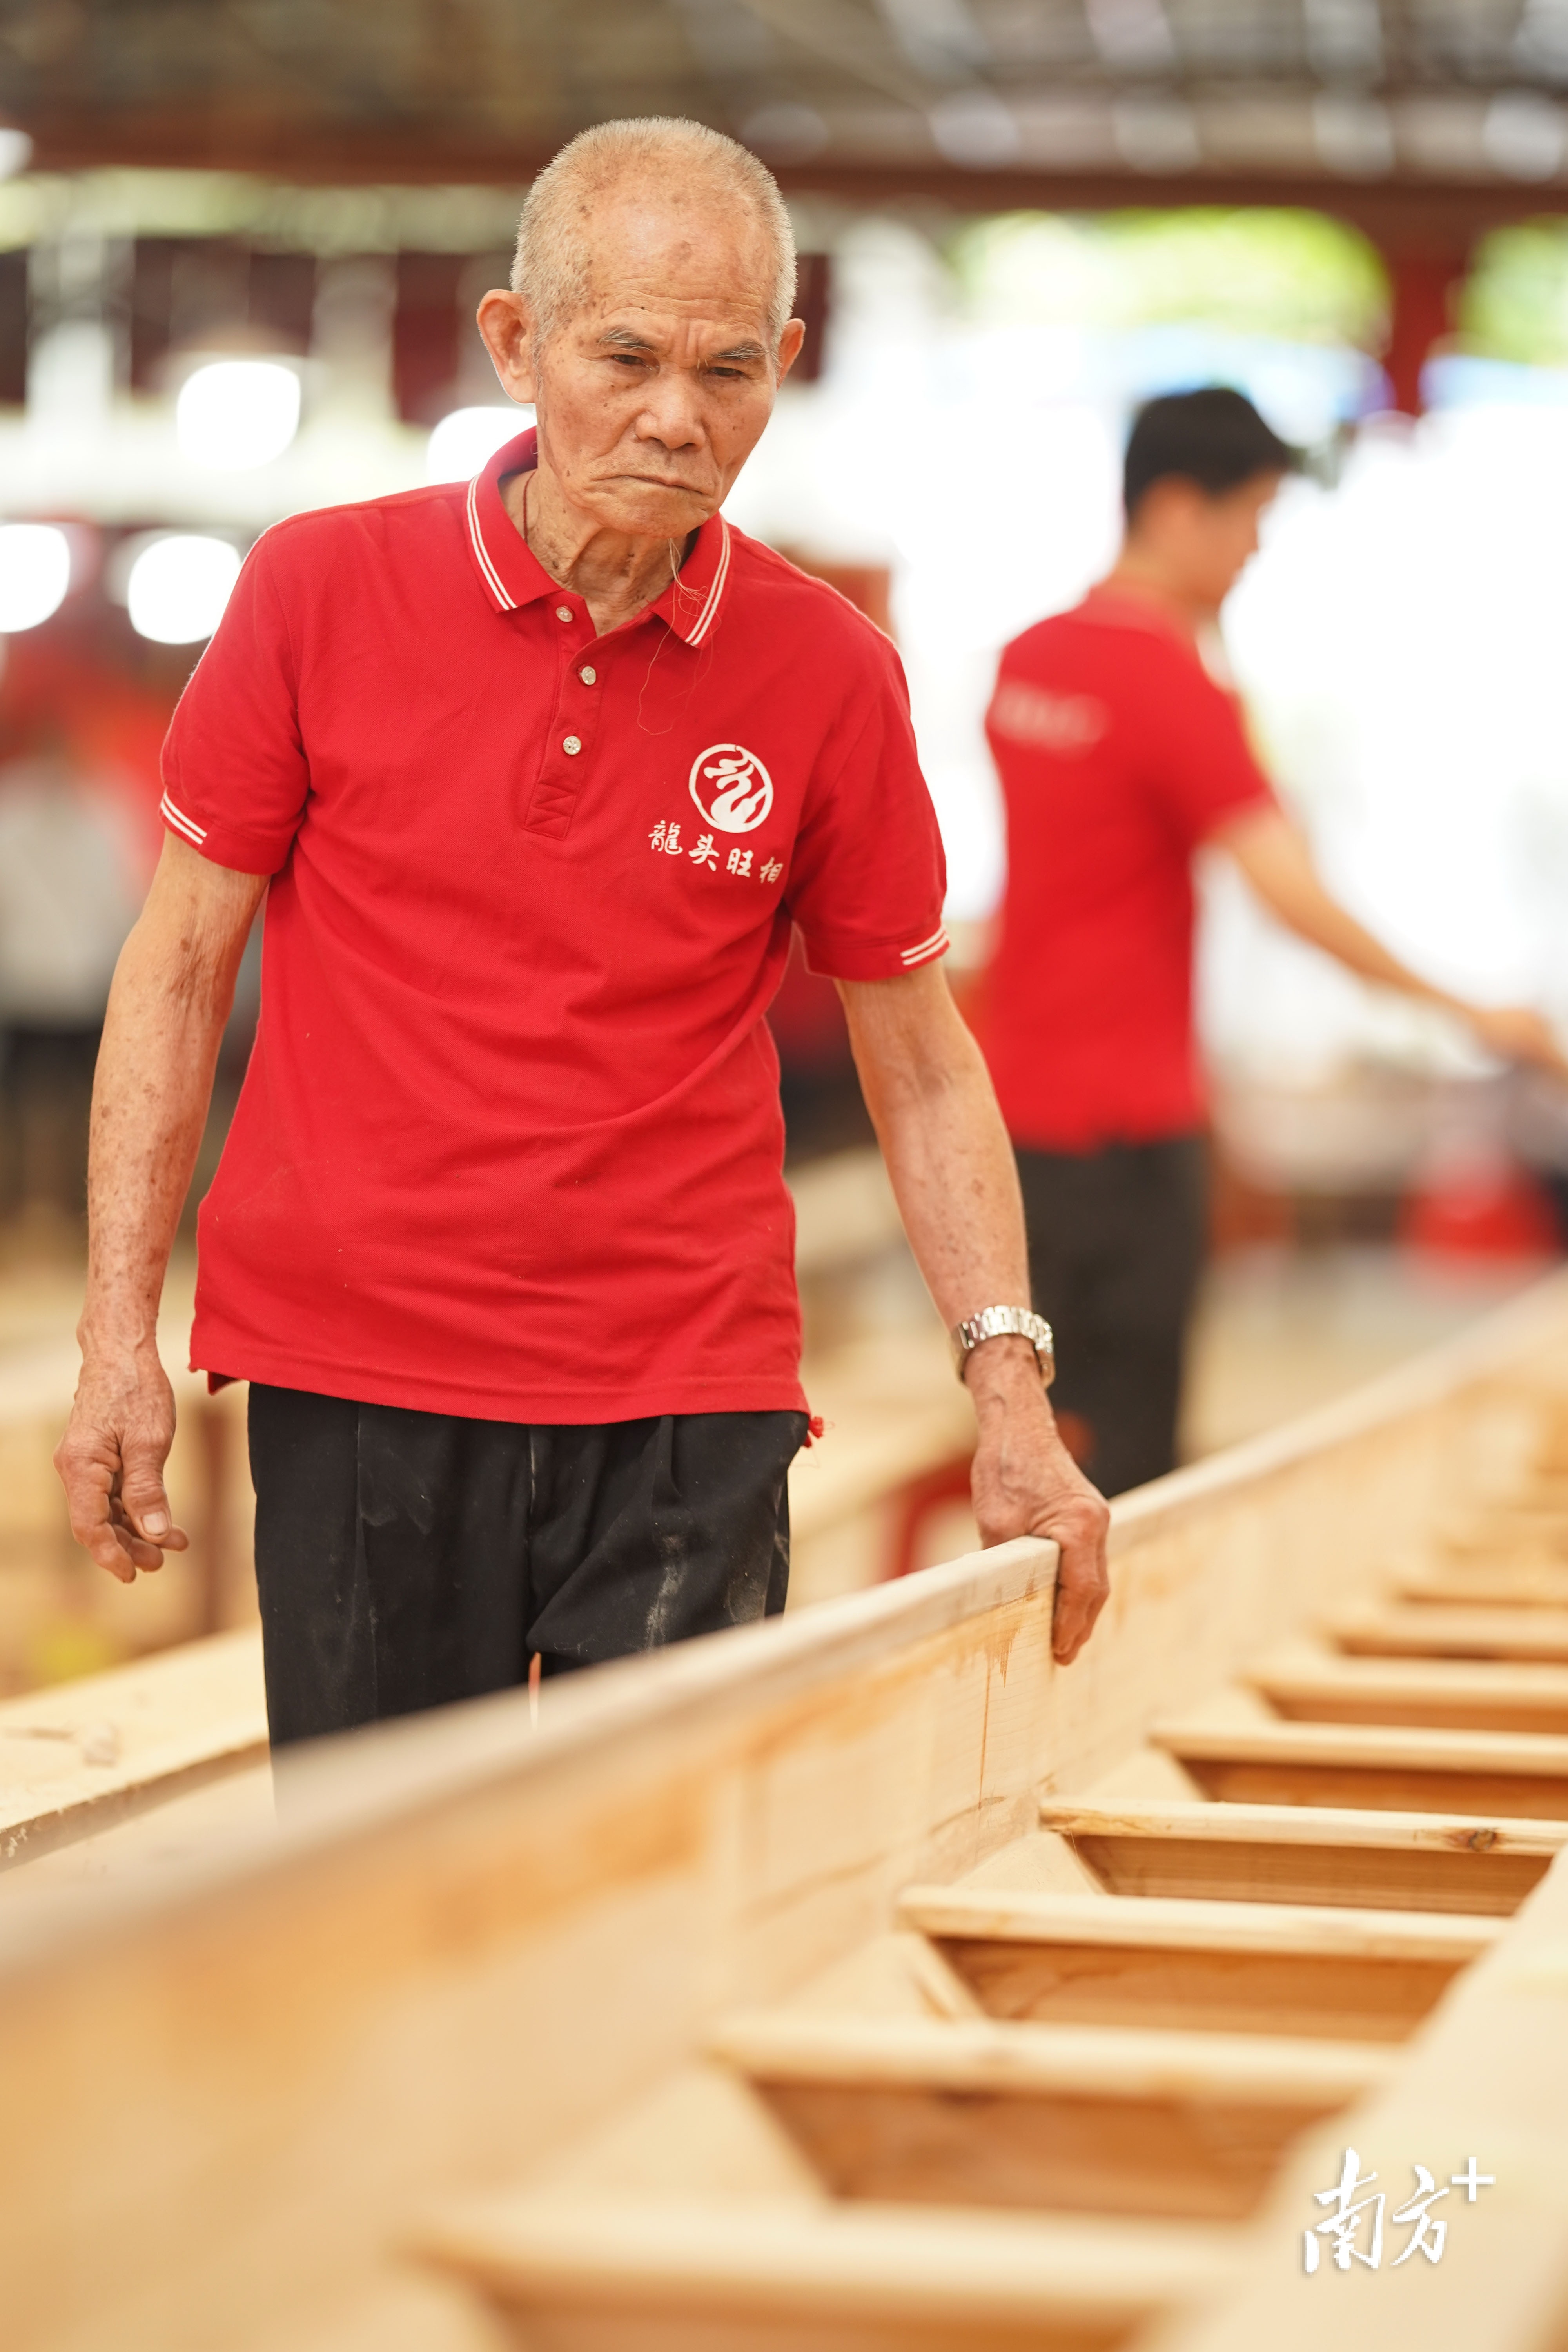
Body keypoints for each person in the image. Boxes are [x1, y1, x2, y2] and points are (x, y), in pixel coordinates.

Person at [54, 118, 1109, 1745]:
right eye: (625, 358)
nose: (678, 418)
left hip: (691, 1396)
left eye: (730, 371)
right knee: (377, 1864)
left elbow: (920, 1060)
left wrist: (1010, 1390)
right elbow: (178, 970)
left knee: (659, 1863)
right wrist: (116, 1334)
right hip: (362, 1375)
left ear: (784, 367)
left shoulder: (830, 672)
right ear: (516, 342)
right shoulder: (318, 591)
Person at [983, 386, 1566, 1500]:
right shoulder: (1167, 681)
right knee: (1128, 1462)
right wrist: (1477, 1012)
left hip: (1014, 1119)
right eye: (1251, 516)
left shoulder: (1029, 659)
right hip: (1127, 1131)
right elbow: (1291, 893)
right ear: (1177, 509)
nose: (1255, 551)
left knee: (1038, 1433)